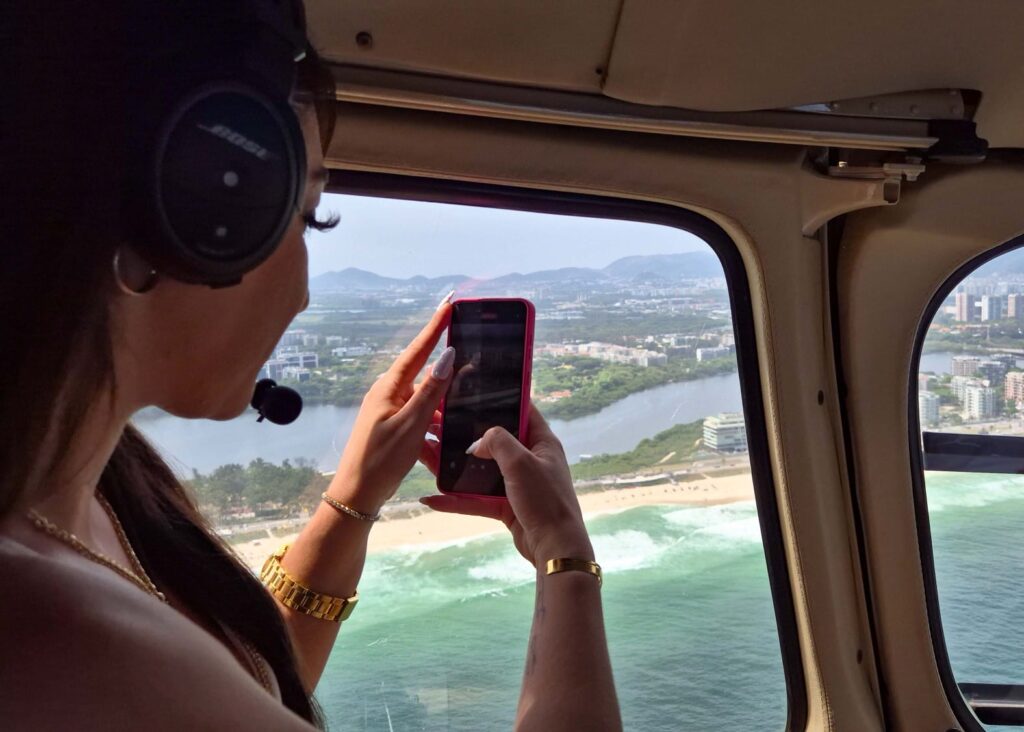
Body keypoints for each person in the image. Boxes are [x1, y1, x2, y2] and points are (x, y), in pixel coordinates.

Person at [0, 2, 621, 730]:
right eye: (303, 216)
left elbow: (251, 685)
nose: (300, 293)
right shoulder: (66, 646)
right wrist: (566, 560)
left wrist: (353, 500)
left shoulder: (97, 484)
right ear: (182, 216)